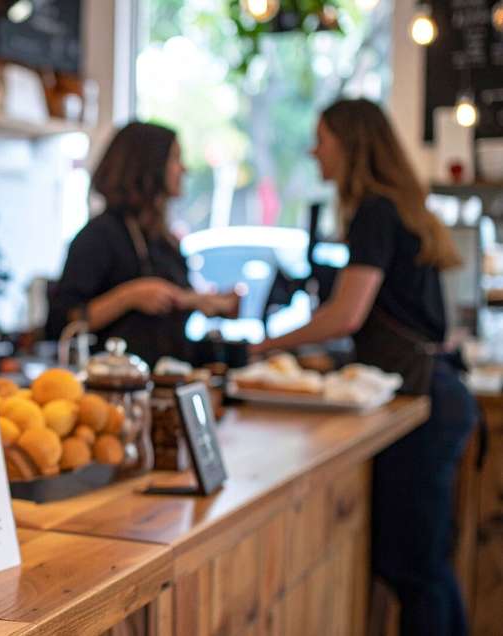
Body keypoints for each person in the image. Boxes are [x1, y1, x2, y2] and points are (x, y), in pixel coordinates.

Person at [251, 98, 475, 636]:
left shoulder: (374, 210)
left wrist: (261, 348)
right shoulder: (400, 205)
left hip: (424, 403)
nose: (313, 150)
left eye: (321, 138)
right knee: (425, 570)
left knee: (413, 571)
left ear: (350, 145)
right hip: (440, 394)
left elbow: (346, 314)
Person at [46, 122, 237, 366]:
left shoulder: (163, 240)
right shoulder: (99, 236)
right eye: (175, 159)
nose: (184, 169)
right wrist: (129, 296)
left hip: (169, 380)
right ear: (148, 166)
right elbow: (61, 324)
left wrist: (202, 301)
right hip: (116, 389)